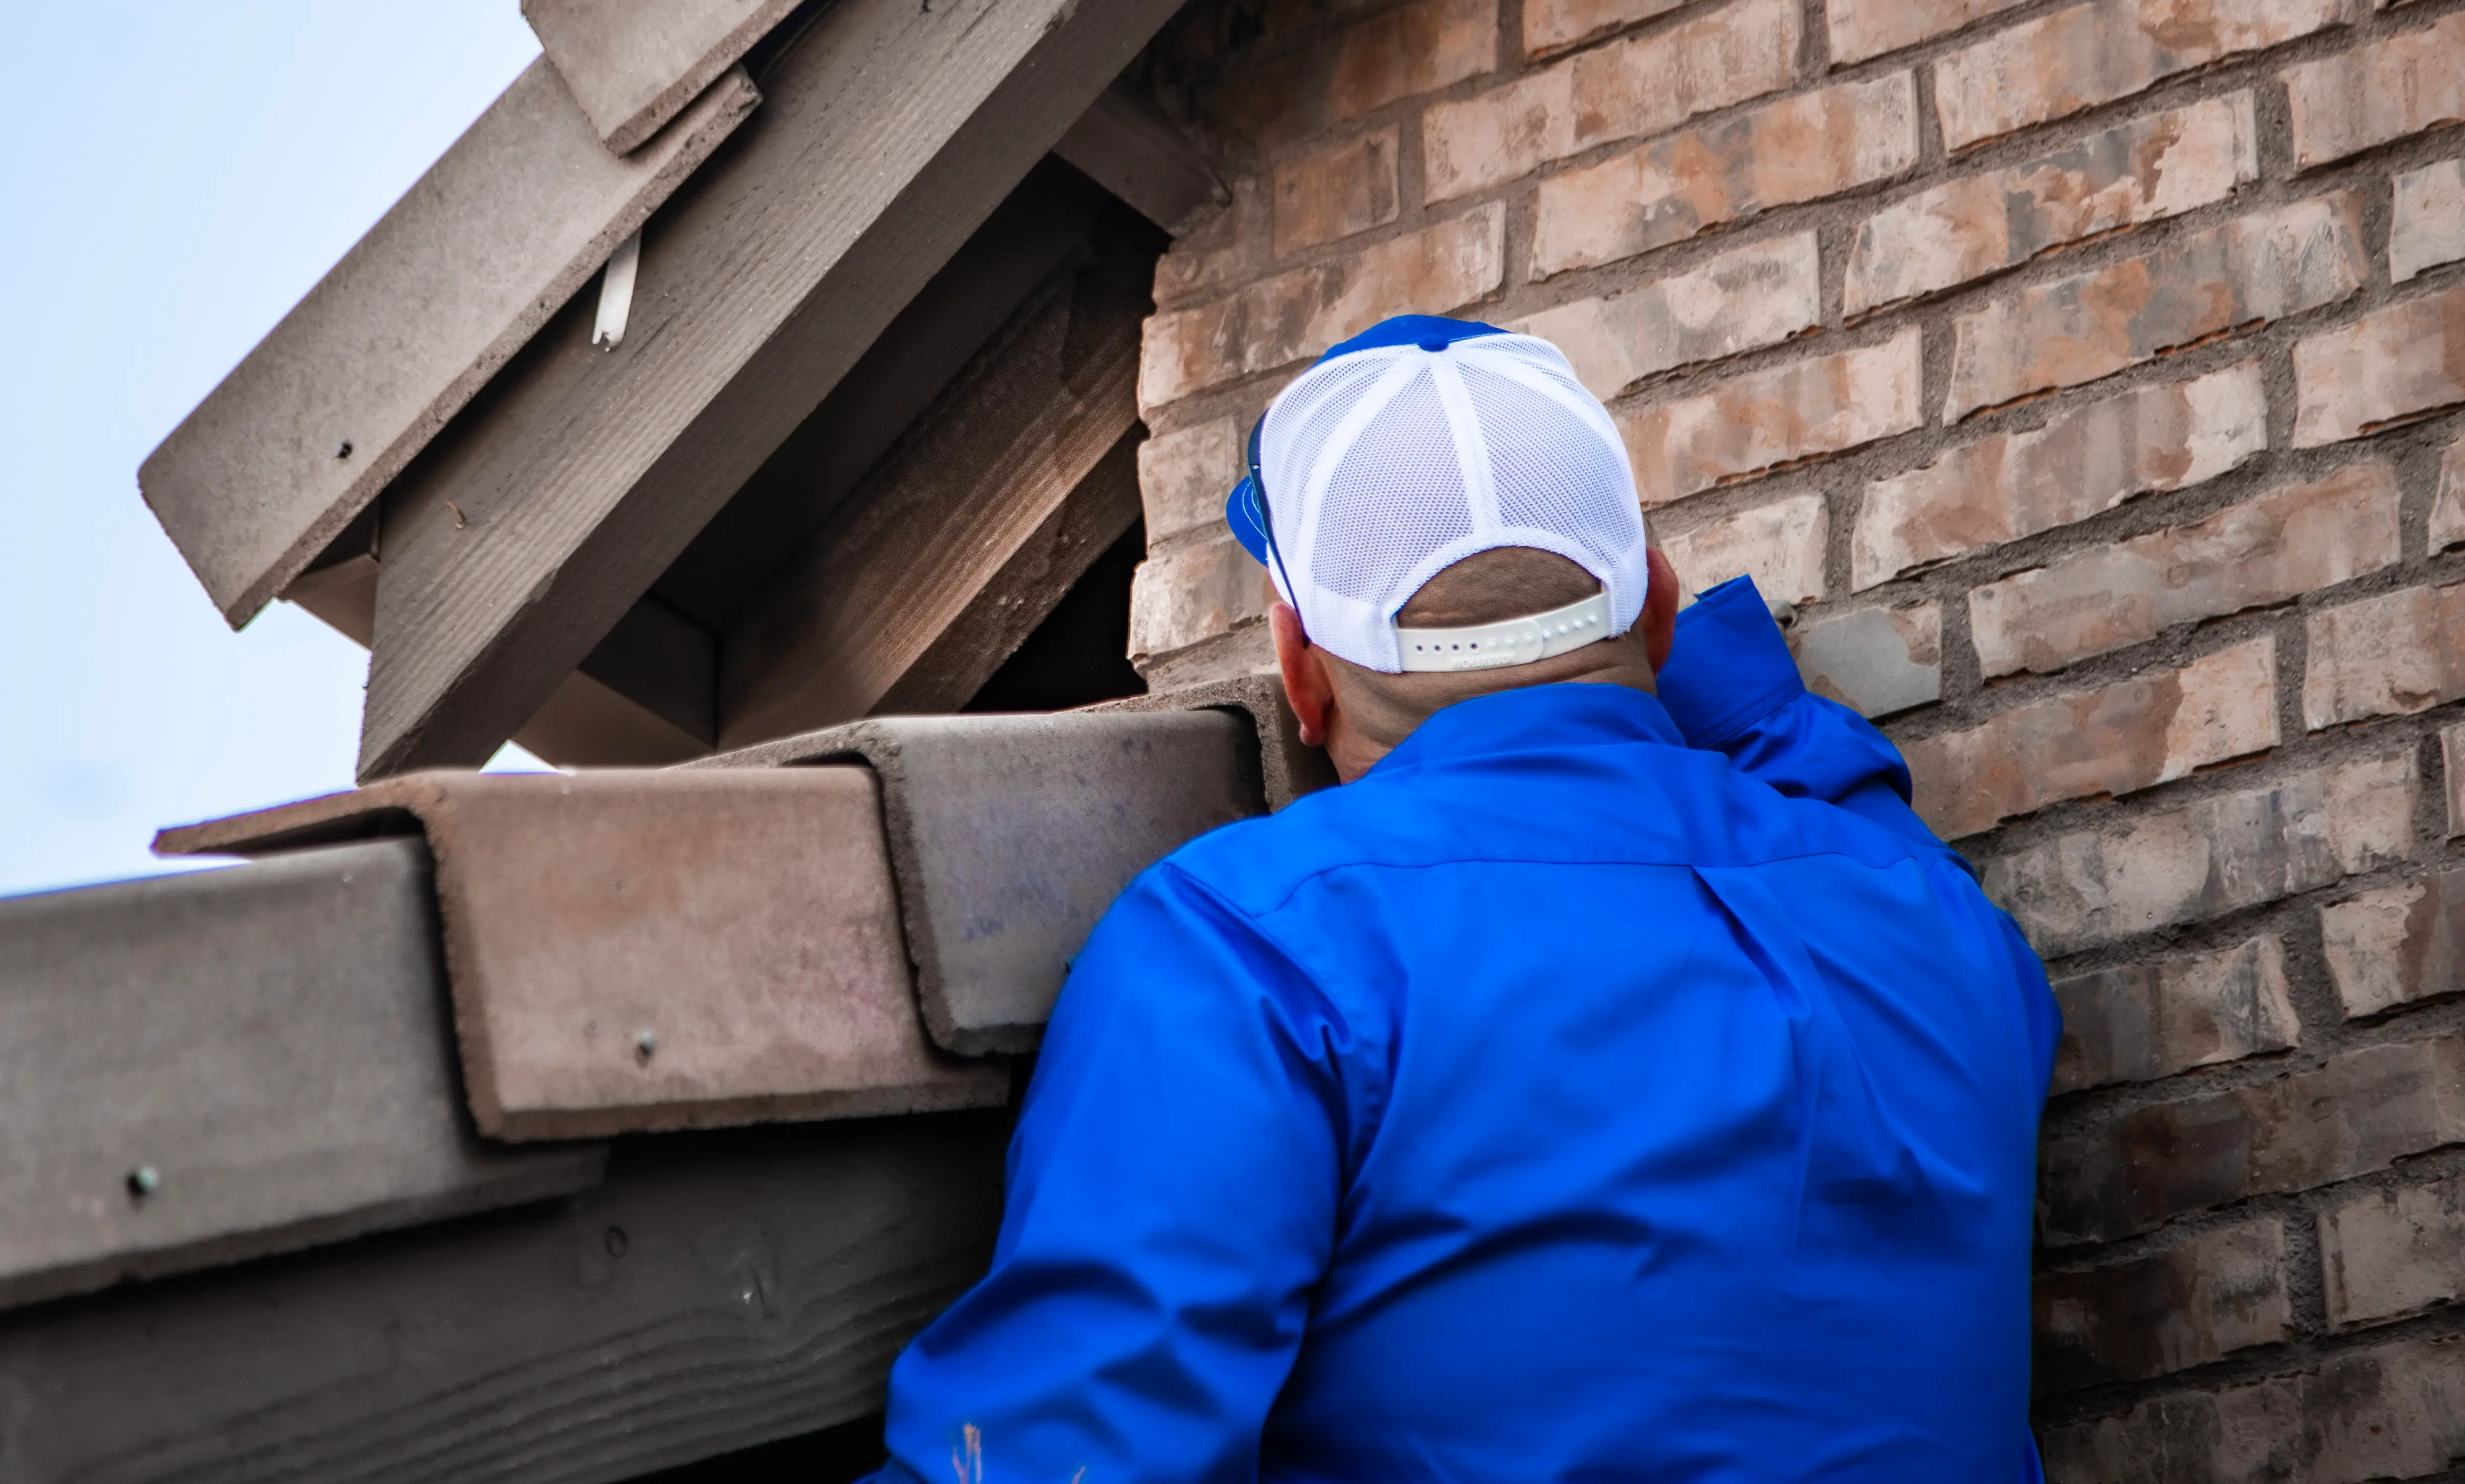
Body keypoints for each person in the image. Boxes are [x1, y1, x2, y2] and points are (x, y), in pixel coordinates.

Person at [866, 316, 2059, 1482]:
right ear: (1656, 605)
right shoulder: (1939, 921)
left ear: (1298, 671)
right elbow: (1798, 754)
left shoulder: (1252, 946)